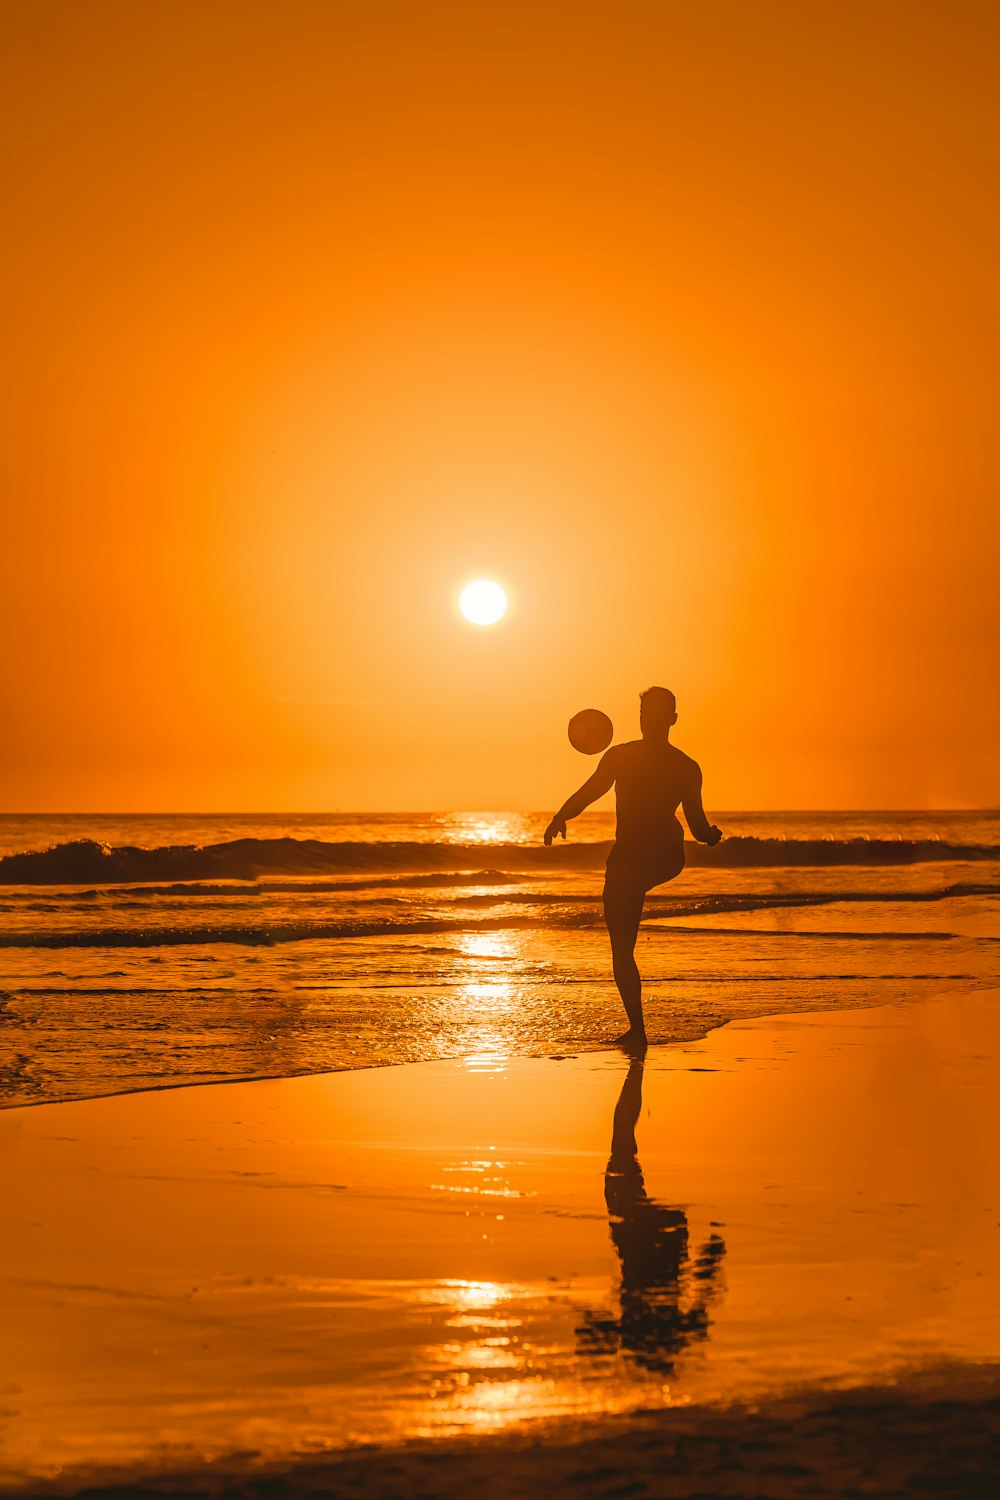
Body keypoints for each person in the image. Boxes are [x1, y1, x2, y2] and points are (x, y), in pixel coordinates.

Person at [544, 686, 722, 1048]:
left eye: (653, 715)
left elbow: (590, 792)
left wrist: (560, 817)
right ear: (645, 718)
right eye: (645, 715)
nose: (648, 721)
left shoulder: (643, 760)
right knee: (623, 942)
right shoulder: (679, 766)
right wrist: (712, 836)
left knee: (622, 945)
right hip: (667, 857)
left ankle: (637, 1032)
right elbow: (698, 827)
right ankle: (636, 1030)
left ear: (671, 719)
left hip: (640, 858)